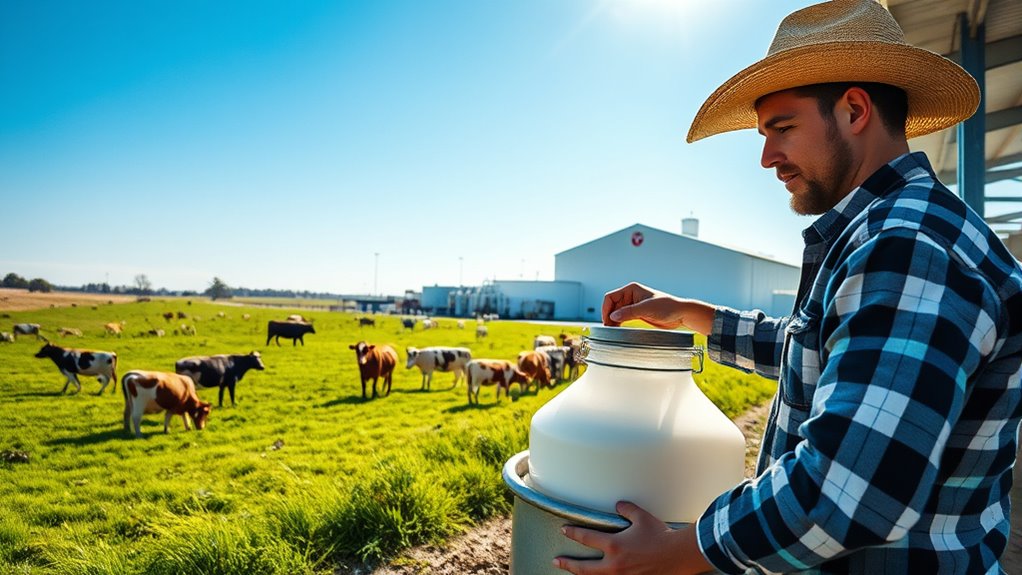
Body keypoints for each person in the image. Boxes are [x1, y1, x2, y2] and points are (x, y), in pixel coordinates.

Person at [554, 1, 1022, 574]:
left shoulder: (905, 246)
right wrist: (691, 314)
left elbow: (851, 492)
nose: (766, 157)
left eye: (782, 128)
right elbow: (830, 356)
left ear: (854, 110)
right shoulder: (895, 231)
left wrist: (679, 553)